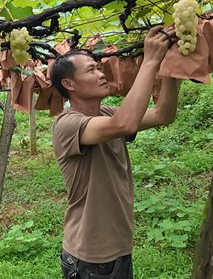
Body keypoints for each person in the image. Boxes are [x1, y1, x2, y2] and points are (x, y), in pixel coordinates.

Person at [49, 27, 181, 279]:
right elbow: (125, 124)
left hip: (118, 247)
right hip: (89, 256)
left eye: (99, 68)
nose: (101, 74)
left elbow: (164, 114)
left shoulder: (107, 113)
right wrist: (150, 60)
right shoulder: (66, 124)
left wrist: (172, 67)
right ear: (69, 84)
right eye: (90, 70)